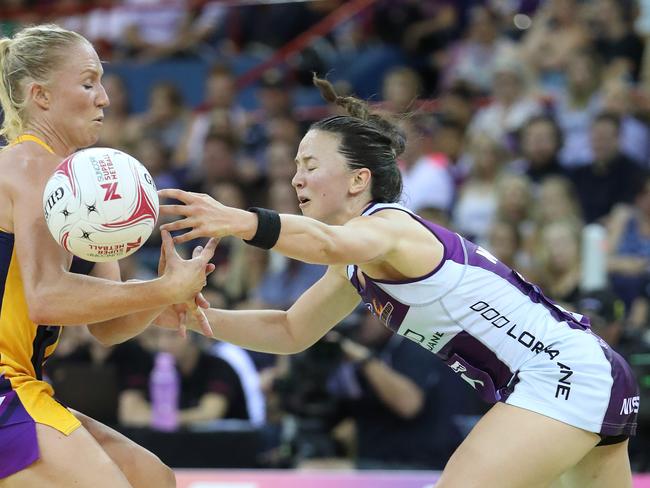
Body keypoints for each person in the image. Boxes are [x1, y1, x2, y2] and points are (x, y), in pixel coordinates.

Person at [159, 75, 639, 487]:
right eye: (294, 168)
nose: (296, 180)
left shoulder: (391, 227)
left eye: (310, 166)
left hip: (562, 373)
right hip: (580, 372)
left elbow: (325, 244)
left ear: (357, 180)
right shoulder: (358, 259)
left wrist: (238, 221)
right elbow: (289, 331)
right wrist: (194, 314)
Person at [0, 24, 217, 487]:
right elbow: (45, 298)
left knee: (153, 479)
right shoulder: (28, 164)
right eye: (87, 82)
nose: (104, 98)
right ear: (40, 96)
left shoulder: (78, 184)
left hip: (23, 382)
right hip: (5, 386)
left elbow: (108, 328)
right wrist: (161, 288)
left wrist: (158, 296)